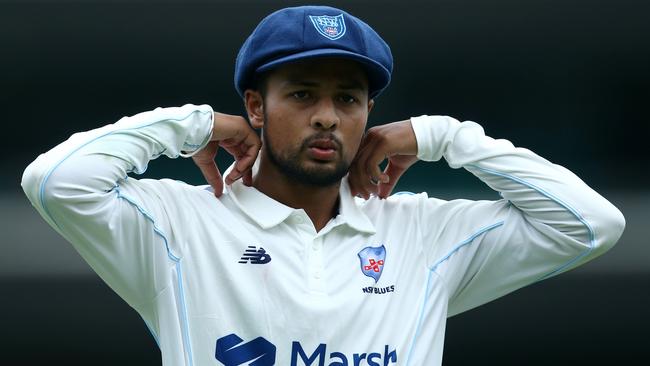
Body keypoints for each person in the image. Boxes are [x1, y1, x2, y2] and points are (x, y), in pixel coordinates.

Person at [21, 5, 625, 366]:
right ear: (255, 107)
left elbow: (592, 224)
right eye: (303, 94)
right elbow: (55, 181)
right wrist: (194, 125)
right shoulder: (180, 224)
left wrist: (445, 137)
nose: (329, 117)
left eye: (349, 98)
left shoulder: (422, 232)